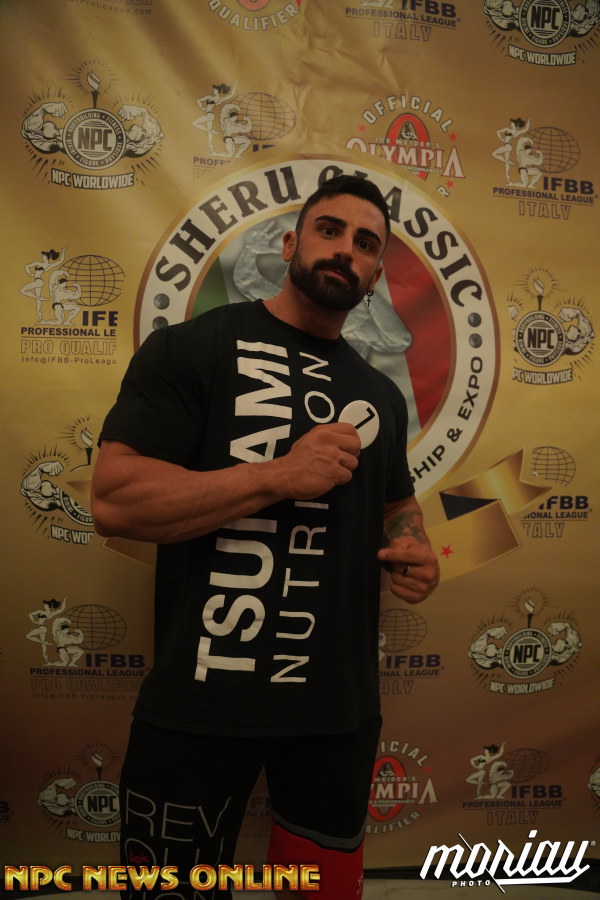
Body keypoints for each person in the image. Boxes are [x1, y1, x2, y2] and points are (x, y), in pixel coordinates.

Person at [91, 174, 439, 899]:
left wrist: (414, 546)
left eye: (366, 244)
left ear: (376, 276)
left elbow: (397, 504)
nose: (345, 250)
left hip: (336, 711)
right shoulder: (193, 347)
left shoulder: (380, 396)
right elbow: (116, 501)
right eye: (329, 230)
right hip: (199, 700)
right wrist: (277, 476)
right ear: (289, 244)